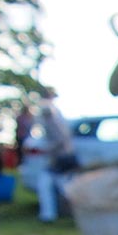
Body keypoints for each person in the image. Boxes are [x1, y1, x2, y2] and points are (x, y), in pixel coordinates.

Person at [36, 88, 79, 222]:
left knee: (50, 184)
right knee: (59, 185)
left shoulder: (51, 114)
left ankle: (49, 214)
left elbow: (62, 139)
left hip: (61, 157)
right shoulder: (57, 114)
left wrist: (50, 150)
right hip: (63, 156)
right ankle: (51, 214)